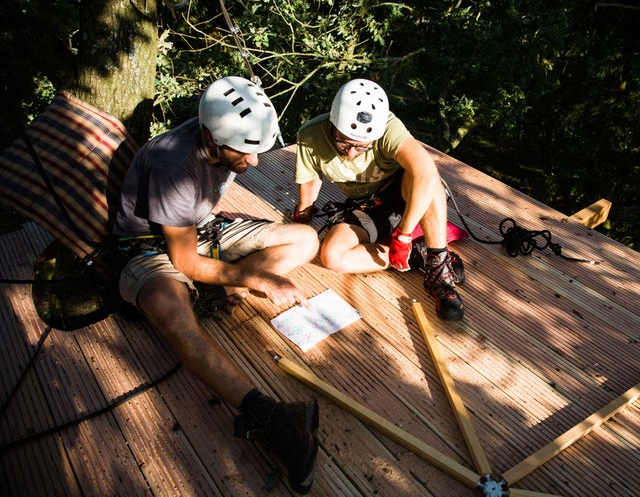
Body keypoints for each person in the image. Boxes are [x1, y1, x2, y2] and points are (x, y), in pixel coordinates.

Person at [112, 76, 320, 495]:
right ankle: (266, 416)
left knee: (306, 239)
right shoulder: (175, 165)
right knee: (169, 311)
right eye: (244, 151)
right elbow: (183, 260)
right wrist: (256, 276)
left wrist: (238, 270)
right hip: (151, 249)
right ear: (211, 136)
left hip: (203, 232)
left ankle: (213, 290)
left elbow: (201, 225)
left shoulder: (224, 141)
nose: (256, 162)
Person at [292, 78, 465, 321]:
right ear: (332, 122)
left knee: (430, 181)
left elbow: (424, 171)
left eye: (361, 147)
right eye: (343, 141)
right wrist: (303, 211)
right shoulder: (310, 135)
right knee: (332, 255)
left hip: (403, 193)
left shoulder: (389, 128)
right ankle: (418, 256)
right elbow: (310, 179)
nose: (351, 152)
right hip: (369, 204)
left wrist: (403, 235)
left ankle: (438, 265)